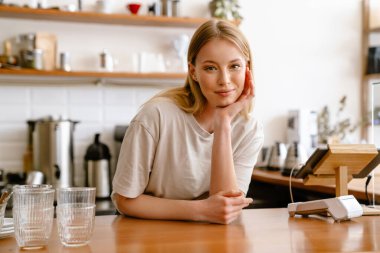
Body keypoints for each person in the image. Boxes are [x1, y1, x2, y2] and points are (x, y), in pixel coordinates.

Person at [112, 19, 264, 224]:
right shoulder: (155, 116)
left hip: (209, 240)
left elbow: (225, 210)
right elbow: (124, 200)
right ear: (193, 72)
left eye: (234, 66)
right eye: (211, 68)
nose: (225, 80)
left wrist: (223, 125)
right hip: (150, 237)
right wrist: (200, 210)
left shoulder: (250, 130)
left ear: (248, 69)